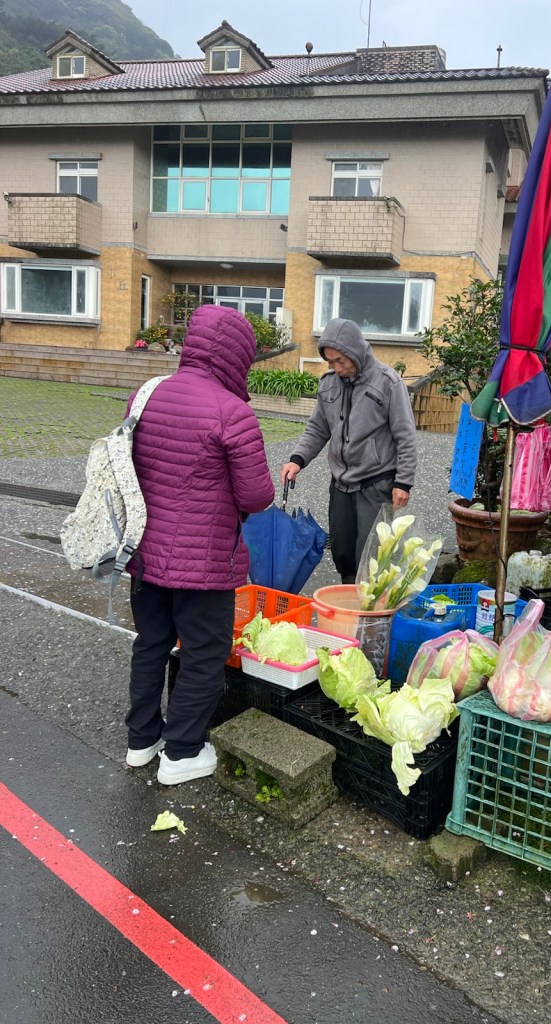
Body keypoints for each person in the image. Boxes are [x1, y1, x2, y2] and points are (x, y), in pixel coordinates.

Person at [125, 304, 275, 785]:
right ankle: (182, 752)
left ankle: (141, 740)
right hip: (204, 564)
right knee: (204, 654)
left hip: (144, 555)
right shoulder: (234, 412)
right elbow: (257, 496)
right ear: (237, 356)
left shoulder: (146, 394)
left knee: (151, 644)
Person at [281, 318, 417, 583]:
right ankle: (348, 597)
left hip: (376, 482)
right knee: (342, 552)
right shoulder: (329, 384)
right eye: (331, 362)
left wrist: (403, 482)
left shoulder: (388, 383)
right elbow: (317, 428)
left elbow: (406, 436)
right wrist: (297, 459)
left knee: (372, 555)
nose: (337, 368)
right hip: (341, 484)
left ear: (355, 351)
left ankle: (370, 605)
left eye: (341, 361)